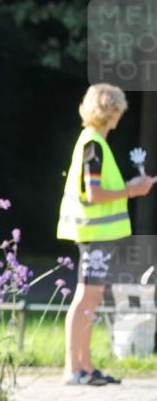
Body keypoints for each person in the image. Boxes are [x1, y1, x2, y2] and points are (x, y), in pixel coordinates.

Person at [57, 83, 157, 385]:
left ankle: (84, 366)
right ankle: (73, 369)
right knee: (86, 298)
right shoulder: (94, 146)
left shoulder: (93, 143)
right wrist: (132, 189)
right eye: (118, 110)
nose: (120, 116)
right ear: (111, 111)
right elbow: (94, 193)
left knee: (91, 298)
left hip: (97, 235)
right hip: (94, 235)